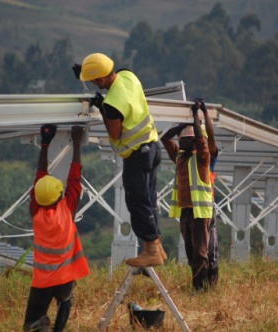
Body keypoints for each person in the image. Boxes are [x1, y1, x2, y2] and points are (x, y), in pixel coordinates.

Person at [72, 53, 165, 267]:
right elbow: (116, 85)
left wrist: (103, 108)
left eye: (94, 81)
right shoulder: (127, 75)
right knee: (149, 200)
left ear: (102, 80)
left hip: (136, 155)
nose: (95, 85)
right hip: (152, 147)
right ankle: (157, 246)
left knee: (137, 201)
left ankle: (151, 250)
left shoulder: (112, 104)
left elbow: (114, 133)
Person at [23, 124, 90, 332]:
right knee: (66, 301)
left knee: (29, 325)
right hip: (64, 278)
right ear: (59, 197)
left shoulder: (36, 212)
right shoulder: (67, 209)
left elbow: (40, 174)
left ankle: (39, 326)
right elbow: (74, 176)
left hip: (41, 280)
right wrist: (77, 143)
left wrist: (45, 142)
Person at [160, 100, 213, 291]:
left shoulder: (202, 157)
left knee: (200, 253)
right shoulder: (180, 157)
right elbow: (165, 139)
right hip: (186, 212)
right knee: (191, 252)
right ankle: (199, 285)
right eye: (181, 140)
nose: (180, 142)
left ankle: (200, 289)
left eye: (184, 139)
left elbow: (201, 140)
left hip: (200, 213)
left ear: (192, 142)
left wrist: (196, 118)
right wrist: (182, 125)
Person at [196, 98, 220, 286]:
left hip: (207, 207)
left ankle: (210, 282)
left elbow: (211, 138)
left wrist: (203, 114)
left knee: (209, 248)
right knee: (201, 248)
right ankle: (203, 283)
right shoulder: (189, 158)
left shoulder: (208, 158)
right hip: (194, 209)